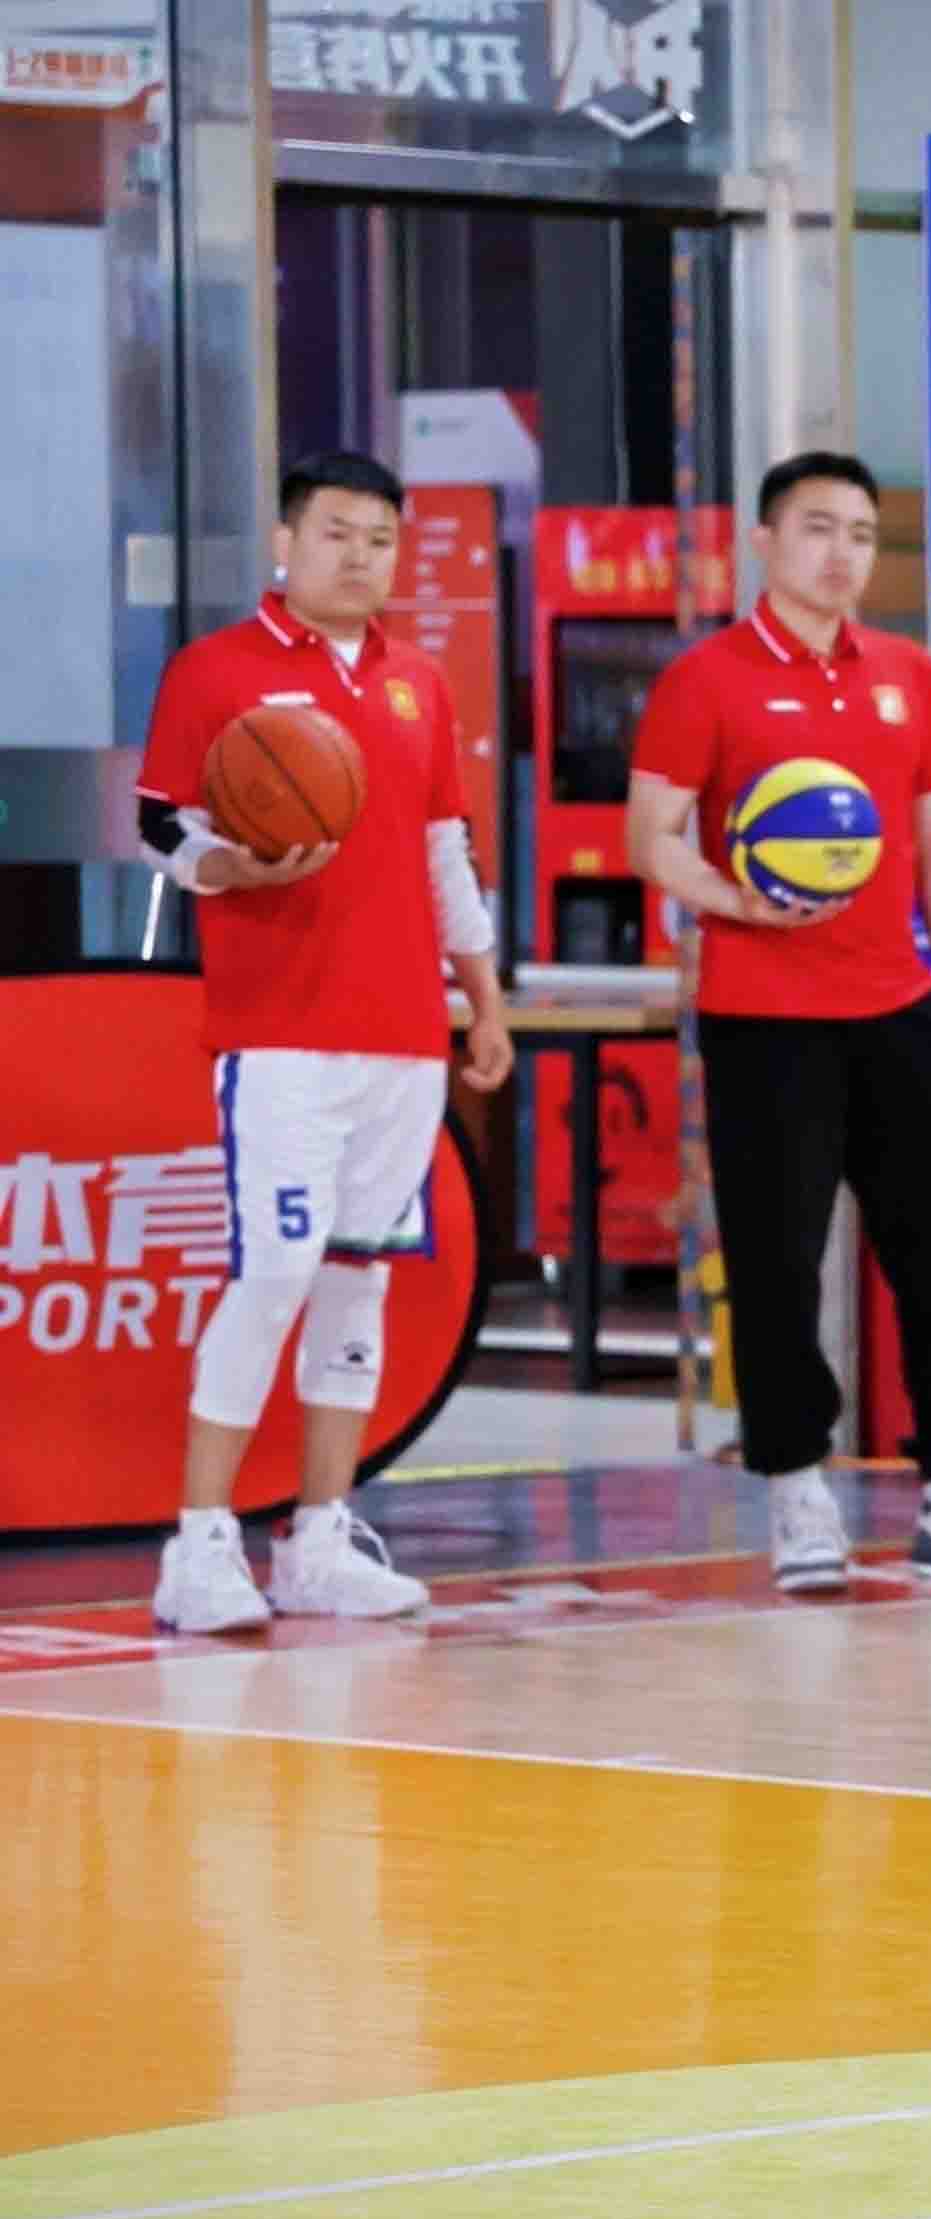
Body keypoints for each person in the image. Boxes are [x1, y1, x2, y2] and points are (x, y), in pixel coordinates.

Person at [624, 450, 931, 1592]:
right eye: (819, 527)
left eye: (862, 534)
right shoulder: (706, 680)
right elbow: (651, 838)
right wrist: (739, 901)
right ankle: (797, 1493)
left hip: (902, 1010)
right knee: (777, 1266)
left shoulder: (907, 673)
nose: (842, 553)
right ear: (765, 541)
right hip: (765, 1017)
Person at [135, 450, 514, 1633]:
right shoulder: (215, 671)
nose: (361, 556)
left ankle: (318, 1538)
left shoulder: (419, 683)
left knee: (358, 1280)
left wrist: (483, 997)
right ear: (285, 541)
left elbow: (446, 852)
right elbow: (157, 826)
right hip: (280, 1033)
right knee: (276, 1270)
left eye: (381, 538)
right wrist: (227, 865)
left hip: (404, 1035)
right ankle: (199, 1546)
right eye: (338, 532)